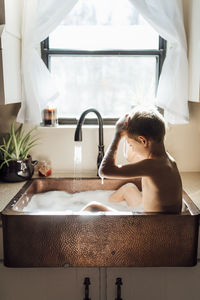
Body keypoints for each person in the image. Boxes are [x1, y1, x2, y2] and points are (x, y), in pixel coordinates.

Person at [98, 106, 182, 213]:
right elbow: (129, 157)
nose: (131, 148)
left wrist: (118, 135)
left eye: (130, 145)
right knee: (129, 188)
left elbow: (104, 171)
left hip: (153, 227)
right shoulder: (165, 160)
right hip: (159, 219)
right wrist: (129, 129)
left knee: (93, 207)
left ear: (143, 141)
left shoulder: (152, 166)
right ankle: (107, 208)